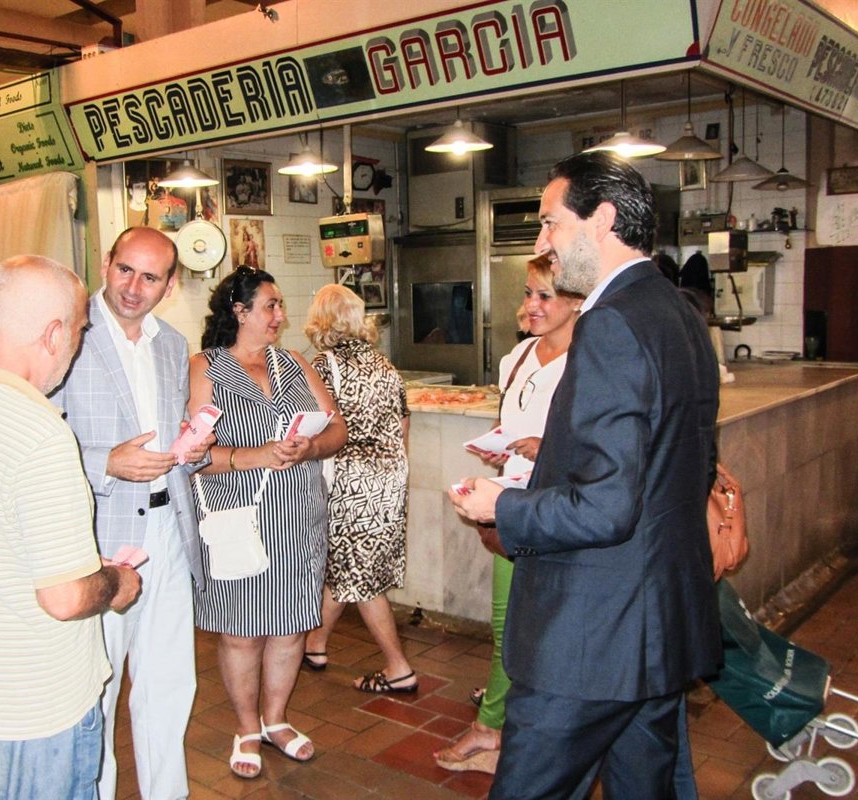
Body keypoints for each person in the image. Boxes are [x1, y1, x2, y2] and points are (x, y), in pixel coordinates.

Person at [448, 151, 721, 799]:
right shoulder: (677, 311)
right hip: (655, 628)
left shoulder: (611, 324)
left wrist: (500, 506)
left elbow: (605, 506)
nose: (542, 242)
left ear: (600, 219)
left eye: (550, 223)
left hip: (592, 635)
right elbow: (676, 466)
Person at [0, 255, 142, 799]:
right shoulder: (40, 432)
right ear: (54, 334)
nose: (76, 346)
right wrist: (115, 582)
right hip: (35, 715)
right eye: (80, 331)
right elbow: (64, 597)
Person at [51, 227, 210, 800]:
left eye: (149, 277)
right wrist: (106, 462)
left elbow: (172, 430)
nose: (133, 287)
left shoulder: (171, 343)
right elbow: (39, 438)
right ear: (106, 262)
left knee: (169, 681)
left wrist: (193, 446)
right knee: (97, 685)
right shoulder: (67, 334)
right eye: (125, 270)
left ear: (169, 285)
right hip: (100, 536)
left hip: (168, 528)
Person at [189, 267, 347, 779]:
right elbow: (191, 453)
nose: (281, 315)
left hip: (300, 516)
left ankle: (276, 719)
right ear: (239, 312)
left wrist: (311, 446)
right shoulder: (205, 368)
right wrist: (252, 455)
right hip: (239, 518)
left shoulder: (294, 363)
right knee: (242, 631)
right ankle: (246, 727)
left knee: (292, 624)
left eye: (280, 305)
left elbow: (338, 429)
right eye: (270, 306)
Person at [435, 257, 582, 775]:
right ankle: (494, 728)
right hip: (514, 505)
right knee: (508, 624)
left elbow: (605, 446)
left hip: (566, 512)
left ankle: (510, 729)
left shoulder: (591, 361)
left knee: (554, 630)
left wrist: (549, 448)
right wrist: (501, 450)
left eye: (544, 295)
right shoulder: (517, 357)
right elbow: (514, 426)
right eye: (527, 294)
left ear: (576, 301)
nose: (531, 306)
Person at [300, 284, 415, 693]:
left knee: (360, 576)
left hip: (350, 484)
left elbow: (314, 427)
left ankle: (399, 668)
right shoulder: (385, 365)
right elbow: (403, 425)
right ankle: (315, 645)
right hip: (390, 478)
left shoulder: (323, 365)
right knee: (348, 565)